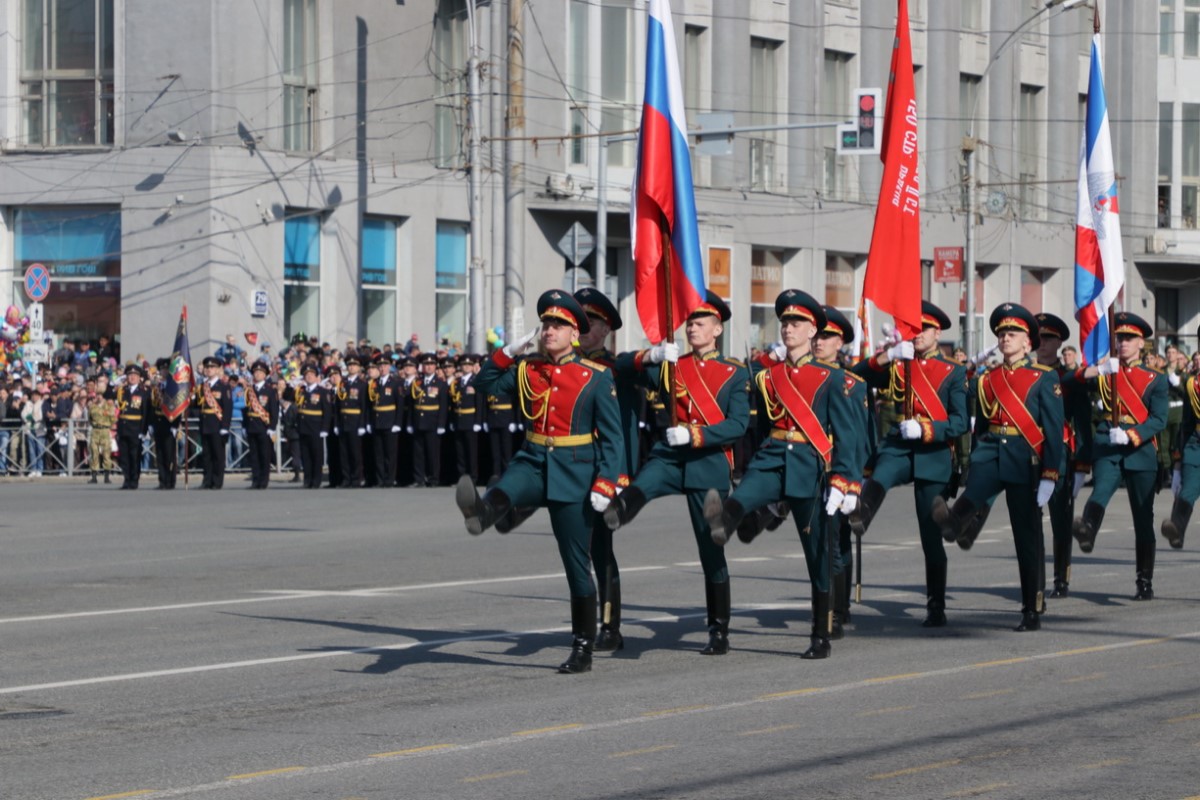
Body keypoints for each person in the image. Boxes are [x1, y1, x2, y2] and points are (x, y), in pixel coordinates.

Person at [455, 290, 622, 674]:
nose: (549, 330)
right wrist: (505, 353)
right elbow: (483, 385)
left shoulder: (596, 377)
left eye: (559, 325)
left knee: (576, 566)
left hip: (576, 469)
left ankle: (582, 646)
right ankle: (481, 513)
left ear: (575, 334)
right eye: (546, 323)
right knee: (507, 487)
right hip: (533, 458)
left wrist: (606, 483)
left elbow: (613, 440)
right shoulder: (528, 369)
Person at [703, 289, 861, 660]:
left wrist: (845, 479)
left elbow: (849, 436)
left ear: (813, 332)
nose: (789, 329)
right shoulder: (766, 375)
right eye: (786, 322)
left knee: (816, 554)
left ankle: (820, 633)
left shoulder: (834, 379)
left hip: (811, 465)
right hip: (773, 457)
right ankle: (725, 518)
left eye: (797, 323)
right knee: (742, 496)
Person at [604, 290, 749, 655]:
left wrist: (696, 433)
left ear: (717, 329)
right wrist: (648, 355)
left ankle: (719, 629)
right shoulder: (673, 364)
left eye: (699, 323)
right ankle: (619, 511)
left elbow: (738, 425)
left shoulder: (733, 372)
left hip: (708, 461)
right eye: (689, 323)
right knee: (645, 482)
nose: (692, 329)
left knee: (710, 547)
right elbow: (618, 366)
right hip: (671, 456)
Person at [931, 304, 1064, 631]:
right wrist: (969, 465)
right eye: (1002, 333)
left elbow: (1054, 431)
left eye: (1013, 334)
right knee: (974, 494)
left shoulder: (1044, 378)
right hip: (991, 454)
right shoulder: (988, 379)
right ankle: (953, 520)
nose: (1005, 338)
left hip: (1025, 458)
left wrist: (1050, 474)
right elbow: (981, 428)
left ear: (1027, 343)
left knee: (1026, 537)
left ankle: (1030, 606)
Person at [848, 301, 968, 627]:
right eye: (913, 329)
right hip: (900, 445)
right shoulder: (899, 362)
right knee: (883, 472)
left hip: (932, 450)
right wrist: (886, 356)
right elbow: (853, 378)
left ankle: (936, 604)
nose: (917, 336)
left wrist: (928, 428)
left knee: (930, 534)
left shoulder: (953, 372)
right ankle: (862, 514)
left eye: (923, 330)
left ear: (937, 332)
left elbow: (960, 423)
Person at [1071, 312, 1168, 600]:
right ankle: (1088, 528)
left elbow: (1159, 419)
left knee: (1142, 516)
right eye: (1119, 338)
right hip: (1108, 445)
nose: (1122, 343)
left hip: (1139, 450)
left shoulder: (1155, 379)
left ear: (1142, 343)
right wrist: (1095, 371)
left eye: (1129, 338)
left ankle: (1144, 579)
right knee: (1101, 487)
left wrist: (1131, 434)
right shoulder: (1106, 371)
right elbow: (1069, 381)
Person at [1034, 313, 1093, 598]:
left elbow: (1082, 422)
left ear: (1059, 342)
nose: (1042, 343)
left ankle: (1061, 578)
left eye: (1048, 338)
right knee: (1030, 521)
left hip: (1060, 458)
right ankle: (1035, 579)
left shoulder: (1068, 380)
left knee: (1060, 520)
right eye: (1039, 337)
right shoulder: (1025, 373)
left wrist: (1082, 464)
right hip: (1028, 454)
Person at [195, 355, 233, 489]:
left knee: (218, 455)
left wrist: (225, 426)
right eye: (207, 367)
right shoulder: (202, 387)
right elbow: (196, 405)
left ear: (218, 369)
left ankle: (217, 481)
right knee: (206, 455)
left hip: (217, 425)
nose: (209, 369)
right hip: (205, 424)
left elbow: (227, 409)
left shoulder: (223, 387)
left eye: (212, 367)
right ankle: (207, 480)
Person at [411, 352, 449, 487]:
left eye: (431, 364)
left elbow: (443, 406)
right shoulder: (417, 383)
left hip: (432, 422)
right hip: (418, 422)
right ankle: (419, 479)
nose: (428, 367)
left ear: (435, 366)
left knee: (433, 453)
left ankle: (433, 478)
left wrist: (441, 424)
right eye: (426, 364)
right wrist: (411, 423)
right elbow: (412, 405)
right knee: (418, 453)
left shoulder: (440, 384)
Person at [296, 362, 333, 489]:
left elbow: (327, 411)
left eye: (312, 374)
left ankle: (316, 480)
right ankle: (307, 479)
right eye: (306, 375)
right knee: (305, 456)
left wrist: (325, 428)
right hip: (303, 427)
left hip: (316, 427)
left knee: (316, 456)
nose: (309, 377)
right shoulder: (301, 391)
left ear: (317, 377)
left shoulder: (322, 392)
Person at [243, 360, 278, 489]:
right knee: (254, 455)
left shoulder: (270, 391)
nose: (257, 374)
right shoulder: (250, 390)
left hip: (264, 427)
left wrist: (272, 427)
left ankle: (263, 481)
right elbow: (247, 410)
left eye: (260, 372)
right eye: (255, 372)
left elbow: (274, 411)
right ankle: (255, 480)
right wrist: (245, 425)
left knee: (264, 455)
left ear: (265, 375)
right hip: (252, 426)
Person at [114, 364, 151, 489]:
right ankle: (126, 479)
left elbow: (145, 412)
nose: (132, 377)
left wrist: (143, 430)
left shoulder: (144, 392)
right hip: (123, 427)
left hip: (136, 428)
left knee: (134, 456)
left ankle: (134, 480)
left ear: (140, 377)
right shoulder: (122, 391)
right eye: (130, 375)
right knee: (124, 456)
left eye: (135, 375)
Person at [451, 354, 485, 484]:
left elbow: (479, 403)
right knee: (460, 452)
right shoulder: (457, 382)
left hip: (470, 420)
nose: (466, 367)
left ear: (472, 367)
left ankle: (473, 477)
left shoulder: (476, 381)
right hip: (459, 419)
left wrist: (477, 421)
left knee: (471, 452)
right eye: (464, 365)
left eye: (469, 365)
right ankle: (462, 476)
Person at [337, 355, 368, 488]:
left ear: (359, 368)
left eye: (354, 365)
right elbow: (338, 405)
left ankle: (356, 478)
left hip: (355, 422)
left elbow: (364, 406)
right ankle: (346, 478)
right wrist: (337, 424)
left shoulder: (362, 385)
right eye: (349, 365)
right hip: (344, 421)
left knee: (356, 453)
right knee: (344, 453)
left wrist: (362, 424)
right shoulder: (343, 384)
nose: (351, 367)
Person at [369, 356, 400, 488]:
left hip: (390, 421)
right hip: (377, 421)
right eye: (380, 366)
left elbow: (399, 404)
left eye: (385, 365)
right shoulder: (374, 383)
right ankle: (380, 479)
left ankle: (390, 479)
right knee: (379, 453)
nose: (382, 368)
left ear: (389, 367)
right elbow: (369, 405)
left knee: (390, 453)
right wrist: (369, 422)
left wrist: (397, 423)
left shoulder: (395, 383)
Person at [150, 358, 179, 489]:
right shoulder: (156, 387)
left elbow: (178, 407)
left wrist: (175, 425)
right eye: (162, 369)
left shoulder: (173, 387)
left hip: (169, 422)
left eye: (166, 369)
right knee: (160, 453)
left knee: (169, 454)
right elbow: (151, 406)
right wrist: (151, 424)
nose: (164, 371)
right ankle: (162, 480)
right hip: (158, 422)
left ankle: (170, 480)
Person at [87, 387, 116, 483]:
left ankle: (107, 476)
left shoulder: (109, 406)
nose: (99, 397)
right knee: (94, 453)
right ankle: (94, 476)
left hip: (105, 430)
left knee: (106, 453)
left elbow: (113, 419)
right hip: (95, 430)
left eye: (101, 395)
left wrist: (108, 426)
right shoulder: (92, 407)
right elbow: (90, 419)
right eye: (97, 395)